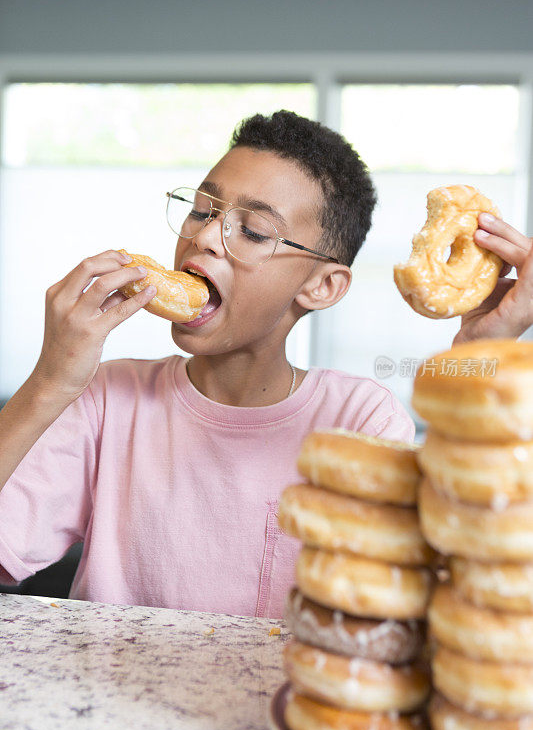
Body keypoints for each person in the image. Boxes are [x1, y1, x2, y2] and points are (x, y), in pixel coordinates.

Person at [0, 111, 531, 617]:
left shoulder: (359, 419)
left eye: (253, 231)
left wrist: (483, 351)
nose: (205, 236)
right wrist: (50, 382)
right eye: (203, 210)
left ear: (321, 286)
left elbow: (442, 573)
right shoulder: (108, 398)